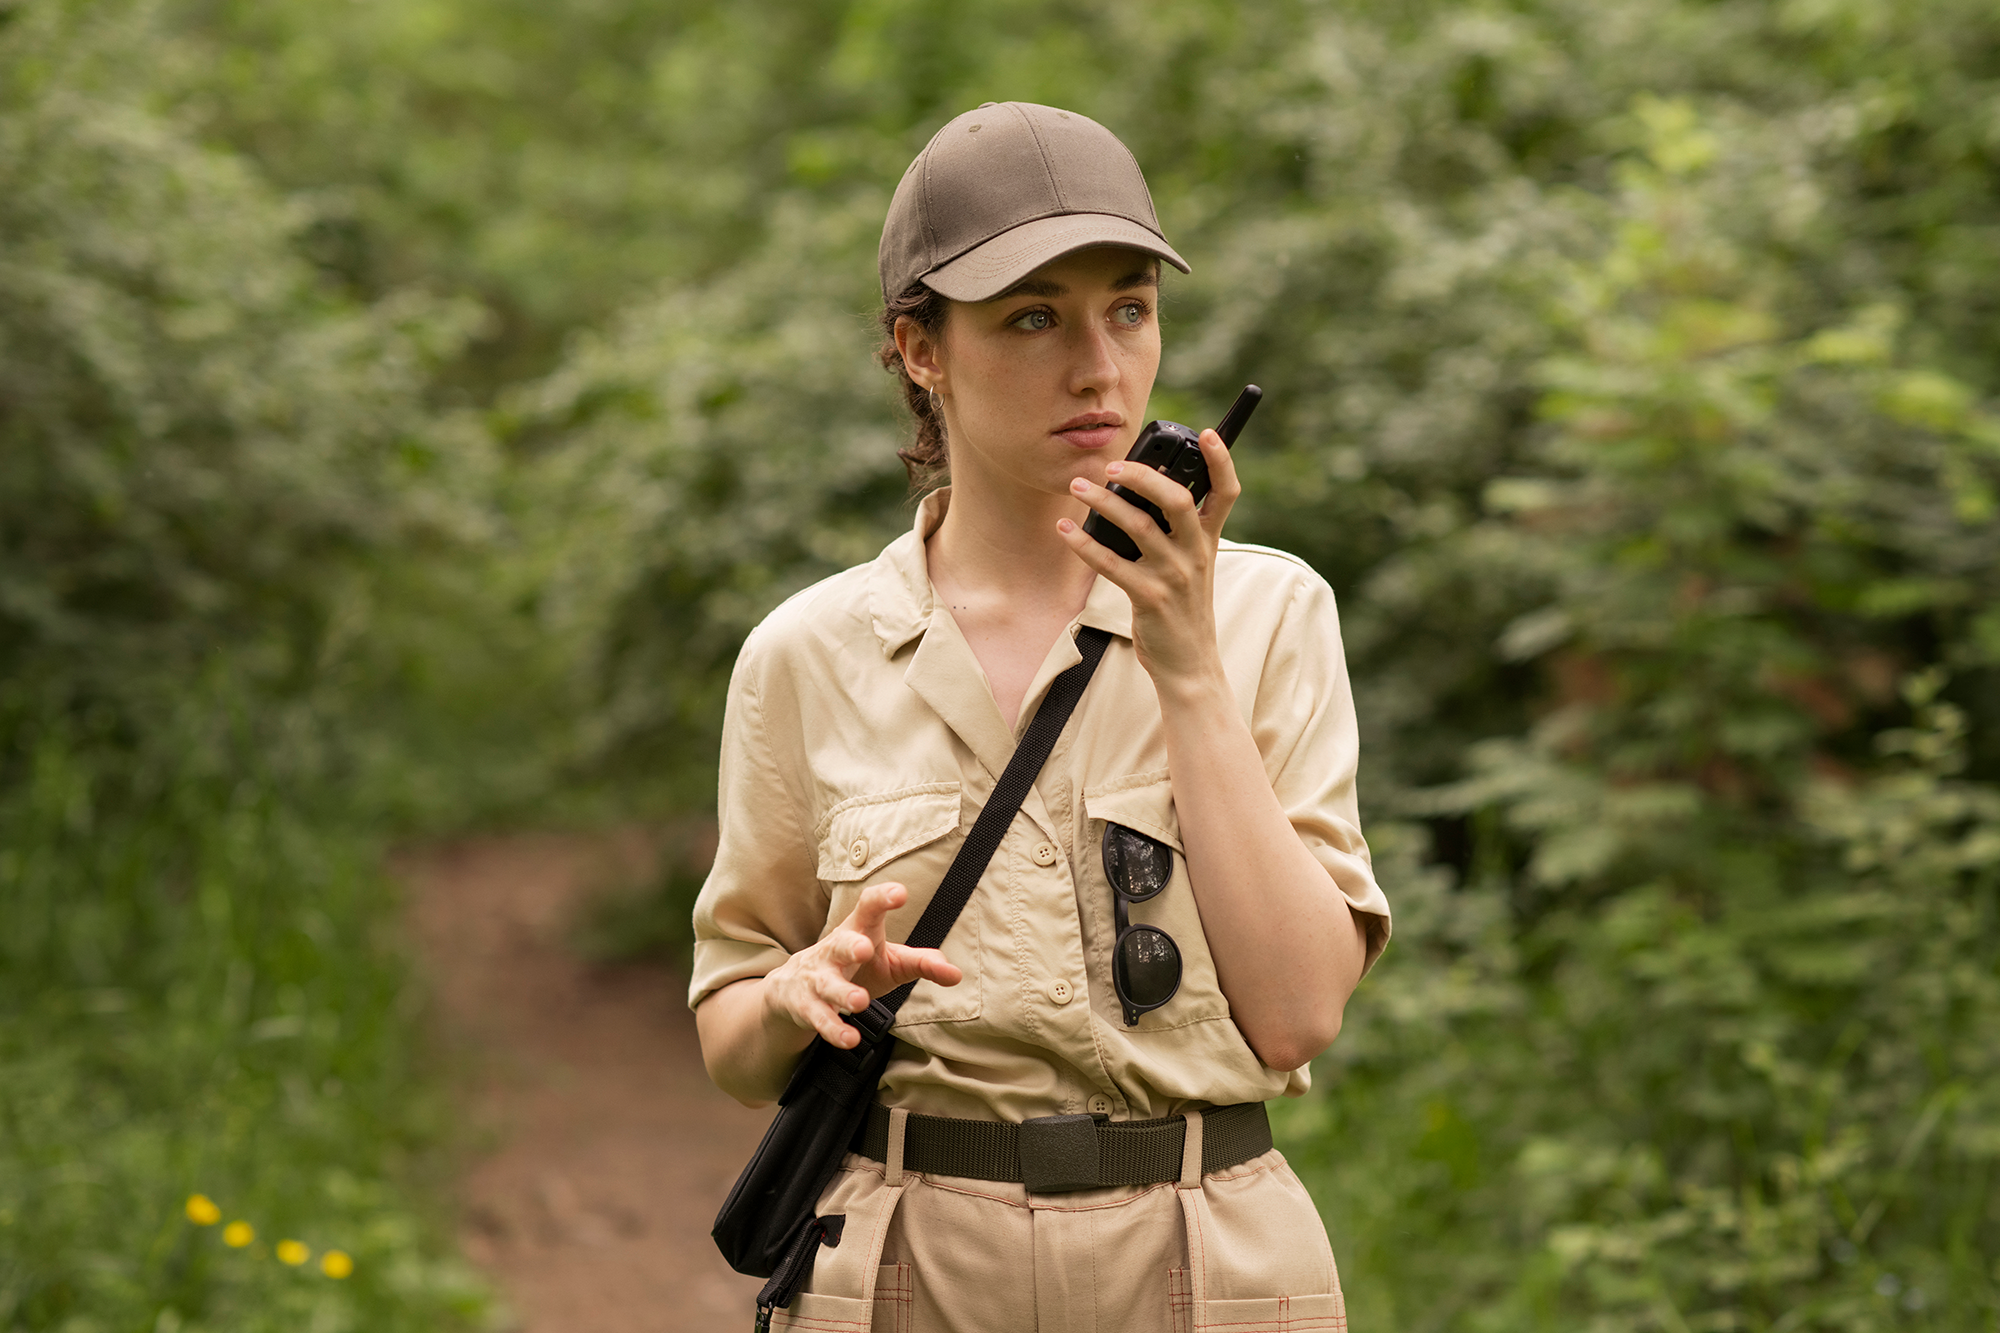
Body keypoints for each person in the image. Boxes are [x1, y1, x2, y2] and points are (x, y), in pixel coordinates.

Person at [690, 101, 1391, 1333]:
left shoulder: (1270, 612)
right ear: (919, 349)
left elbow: (1295, 1013)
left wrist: (1182, 658)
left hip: (1209, 1258)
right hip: (905, 1261)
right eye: (1032, 317)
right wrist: (797, 989)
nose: (1099, 366)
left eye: (1127, 307)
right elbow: (732, 1039)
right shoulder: (807, 654)